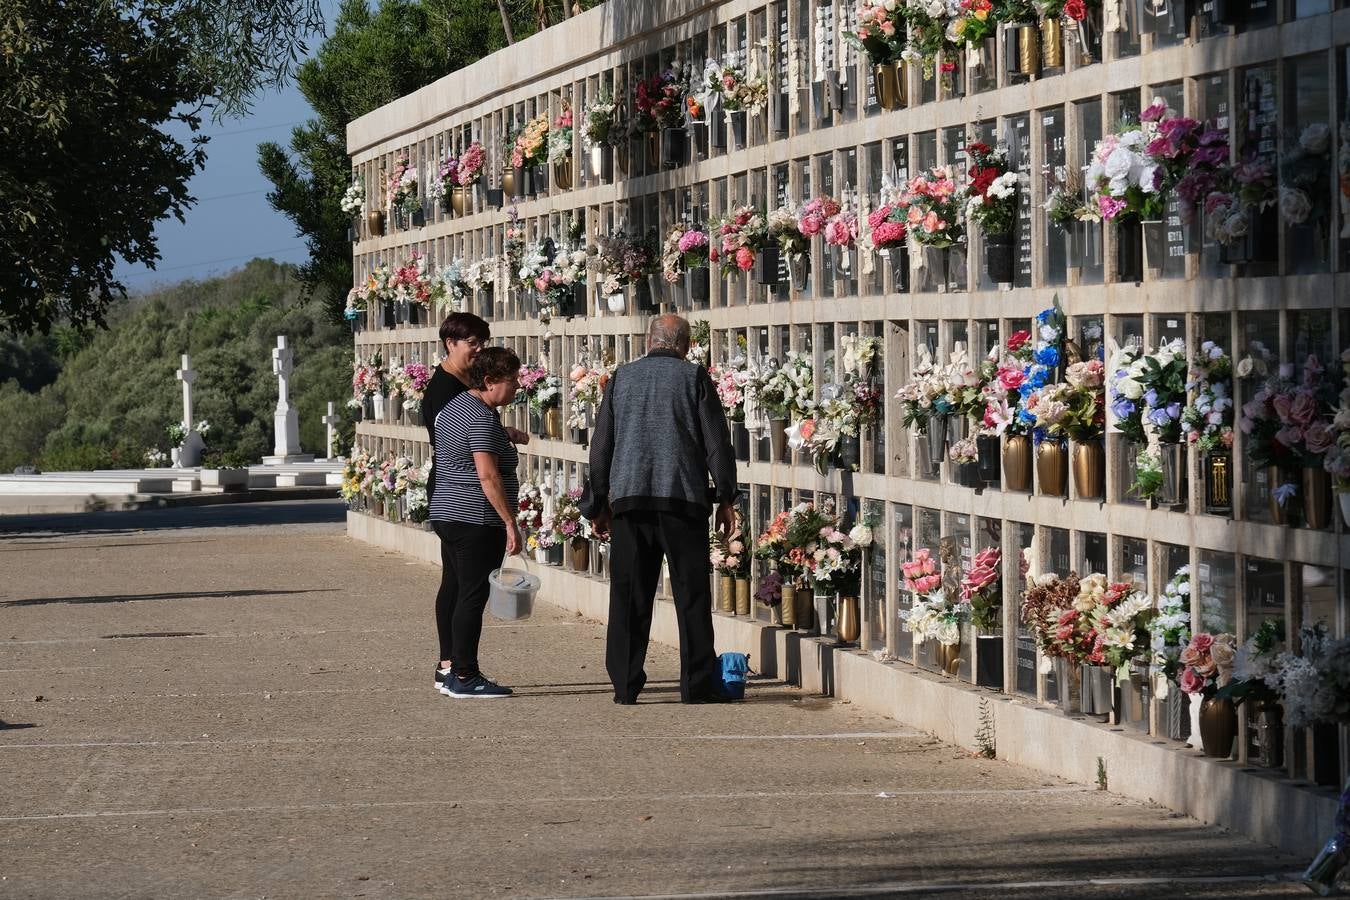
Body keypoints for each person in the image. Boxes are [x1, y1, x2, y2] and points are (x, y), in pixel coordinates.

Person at [581, 315, 739, 705]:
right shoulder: (693, 378)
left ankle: (625, 685)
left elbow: (602, 445)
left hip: (630, 503)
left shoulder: (621, 378)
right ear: (684, 345)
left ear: (648, 340)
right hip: (681, 501)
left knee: (629, 596)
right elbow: (716, 442)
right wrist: (726, 498)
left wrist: (598, 503)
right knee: (691, 596)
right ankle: (696, 686)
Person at [425, 313, 529, 694]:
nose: (516, 388)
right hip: (474, 517)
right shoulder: (481, 419)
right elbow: (487, 475)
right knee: (471, 595)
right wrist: (509, 522)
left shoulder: (455, 409)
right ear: (489, 382)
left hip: (447, 511)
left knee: (459, 591)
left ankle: (451, 669)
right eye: (512, 381)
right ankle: (465, 675)